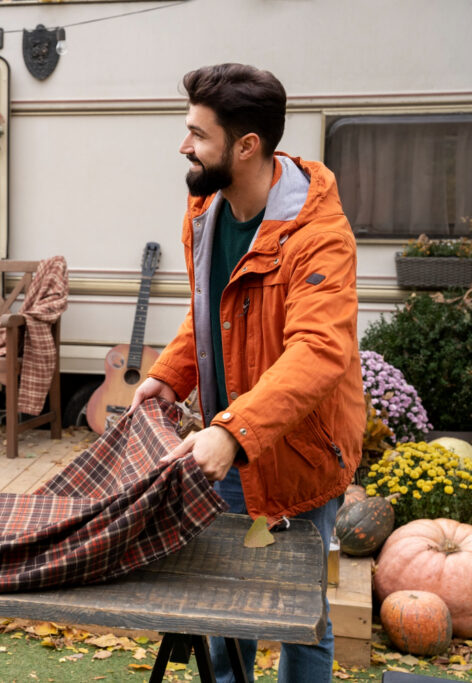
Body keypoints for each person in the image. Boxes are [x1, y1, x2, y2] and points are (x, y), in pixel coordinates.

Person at [130, 64, 365, 682]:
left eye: (197, 134)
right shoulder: (205, 211)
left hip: (300, 455)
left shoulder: (320, 236)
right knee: (223, 606)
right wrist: (169, 376)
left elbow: (319, 350)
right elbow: (212, 311)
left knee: (299, 615)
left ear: (246, 146)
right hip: (228, 446)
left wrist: (232, 431)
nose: (184, 146)